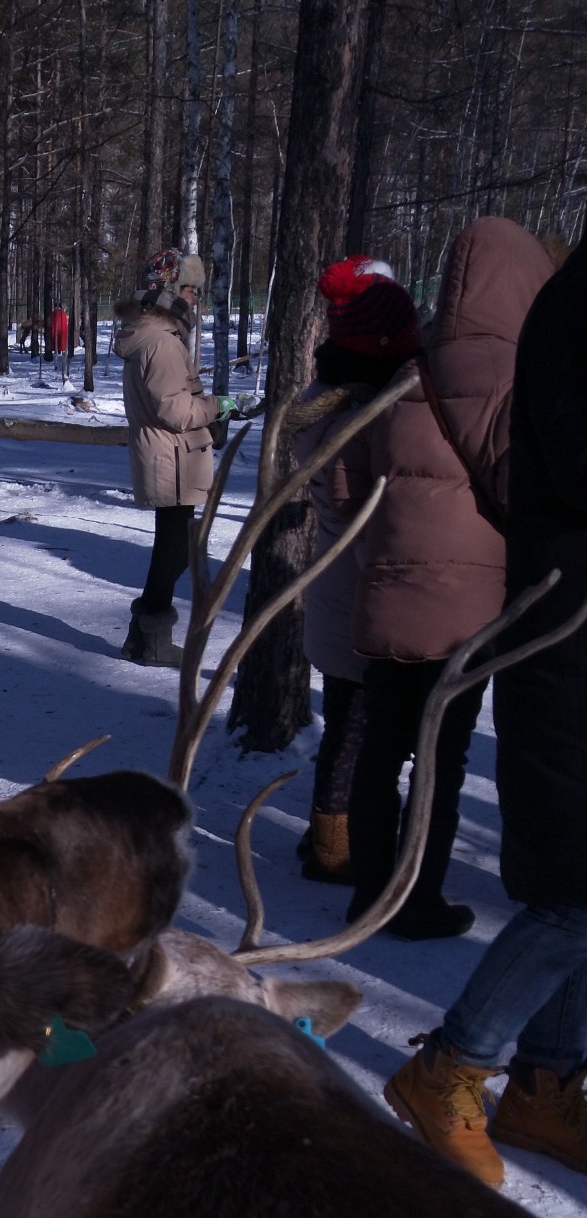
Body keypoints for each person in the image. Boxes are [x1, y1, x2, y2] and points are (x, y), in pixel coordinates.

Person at [384, 236, 587, 1186]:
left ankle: (545, 1086)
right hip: (568, 636)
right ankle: (453, 1065)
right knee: (576, 894)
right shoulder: (577, 309)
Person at [329, 217, 555, 938]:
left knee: (381, 750)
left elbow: (341, 490)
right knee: (442, 757)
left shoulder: (406, 371)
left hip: (384, 597)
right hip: (466, 609)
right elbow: (527, 489)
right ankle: (415, 900)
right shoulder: (511, 379)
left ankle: (367, 894)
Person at [291, 258, 423, 883]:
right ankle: (333, 848)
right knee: (354, 730)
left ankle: (325, 833)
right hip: (359, 596)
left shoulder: (327, 403)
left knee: (347, 721)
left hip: (338, 591)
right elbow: (356, 503)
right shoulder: (355, 421)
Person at [114, 249, 237, 666]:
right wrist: (221, 405)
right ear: (171, 292)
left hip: (171, 455)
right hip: (173, 458)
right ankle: (150, 639)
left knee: (174, 546)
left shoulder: (153, 337)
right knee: (176, 549)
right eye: (190, 290)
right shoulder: (163, 345)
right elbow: (176, 410)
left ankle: (143, 638)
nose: (195, 299)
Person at [48, 302, 70, 384]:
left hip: (55, 333)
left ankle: (56, 364)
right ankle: (62, 364)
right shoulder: (63, 314)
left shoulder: (53, 314)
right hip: (63, 334)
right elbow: (65, 324)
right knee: (62, 347)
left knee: (56, 348)